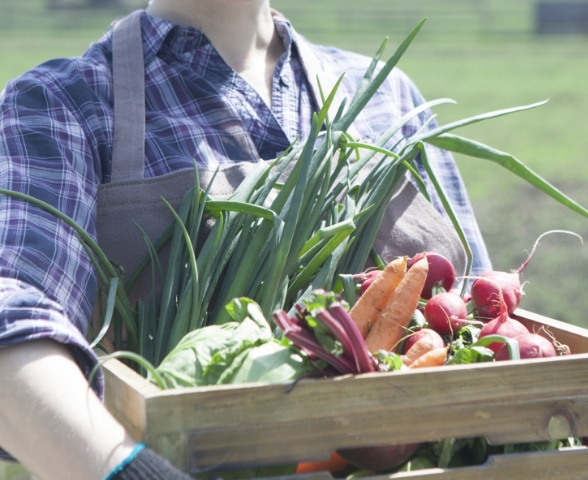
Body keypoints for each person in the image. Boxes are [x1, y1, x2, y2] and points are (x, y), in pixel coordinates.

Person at [0, 0, 492, 478]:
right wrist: (133, 471)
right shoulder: (59, 106)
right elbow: (12, 313)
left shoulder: (390, 99)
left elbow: (483, 324)